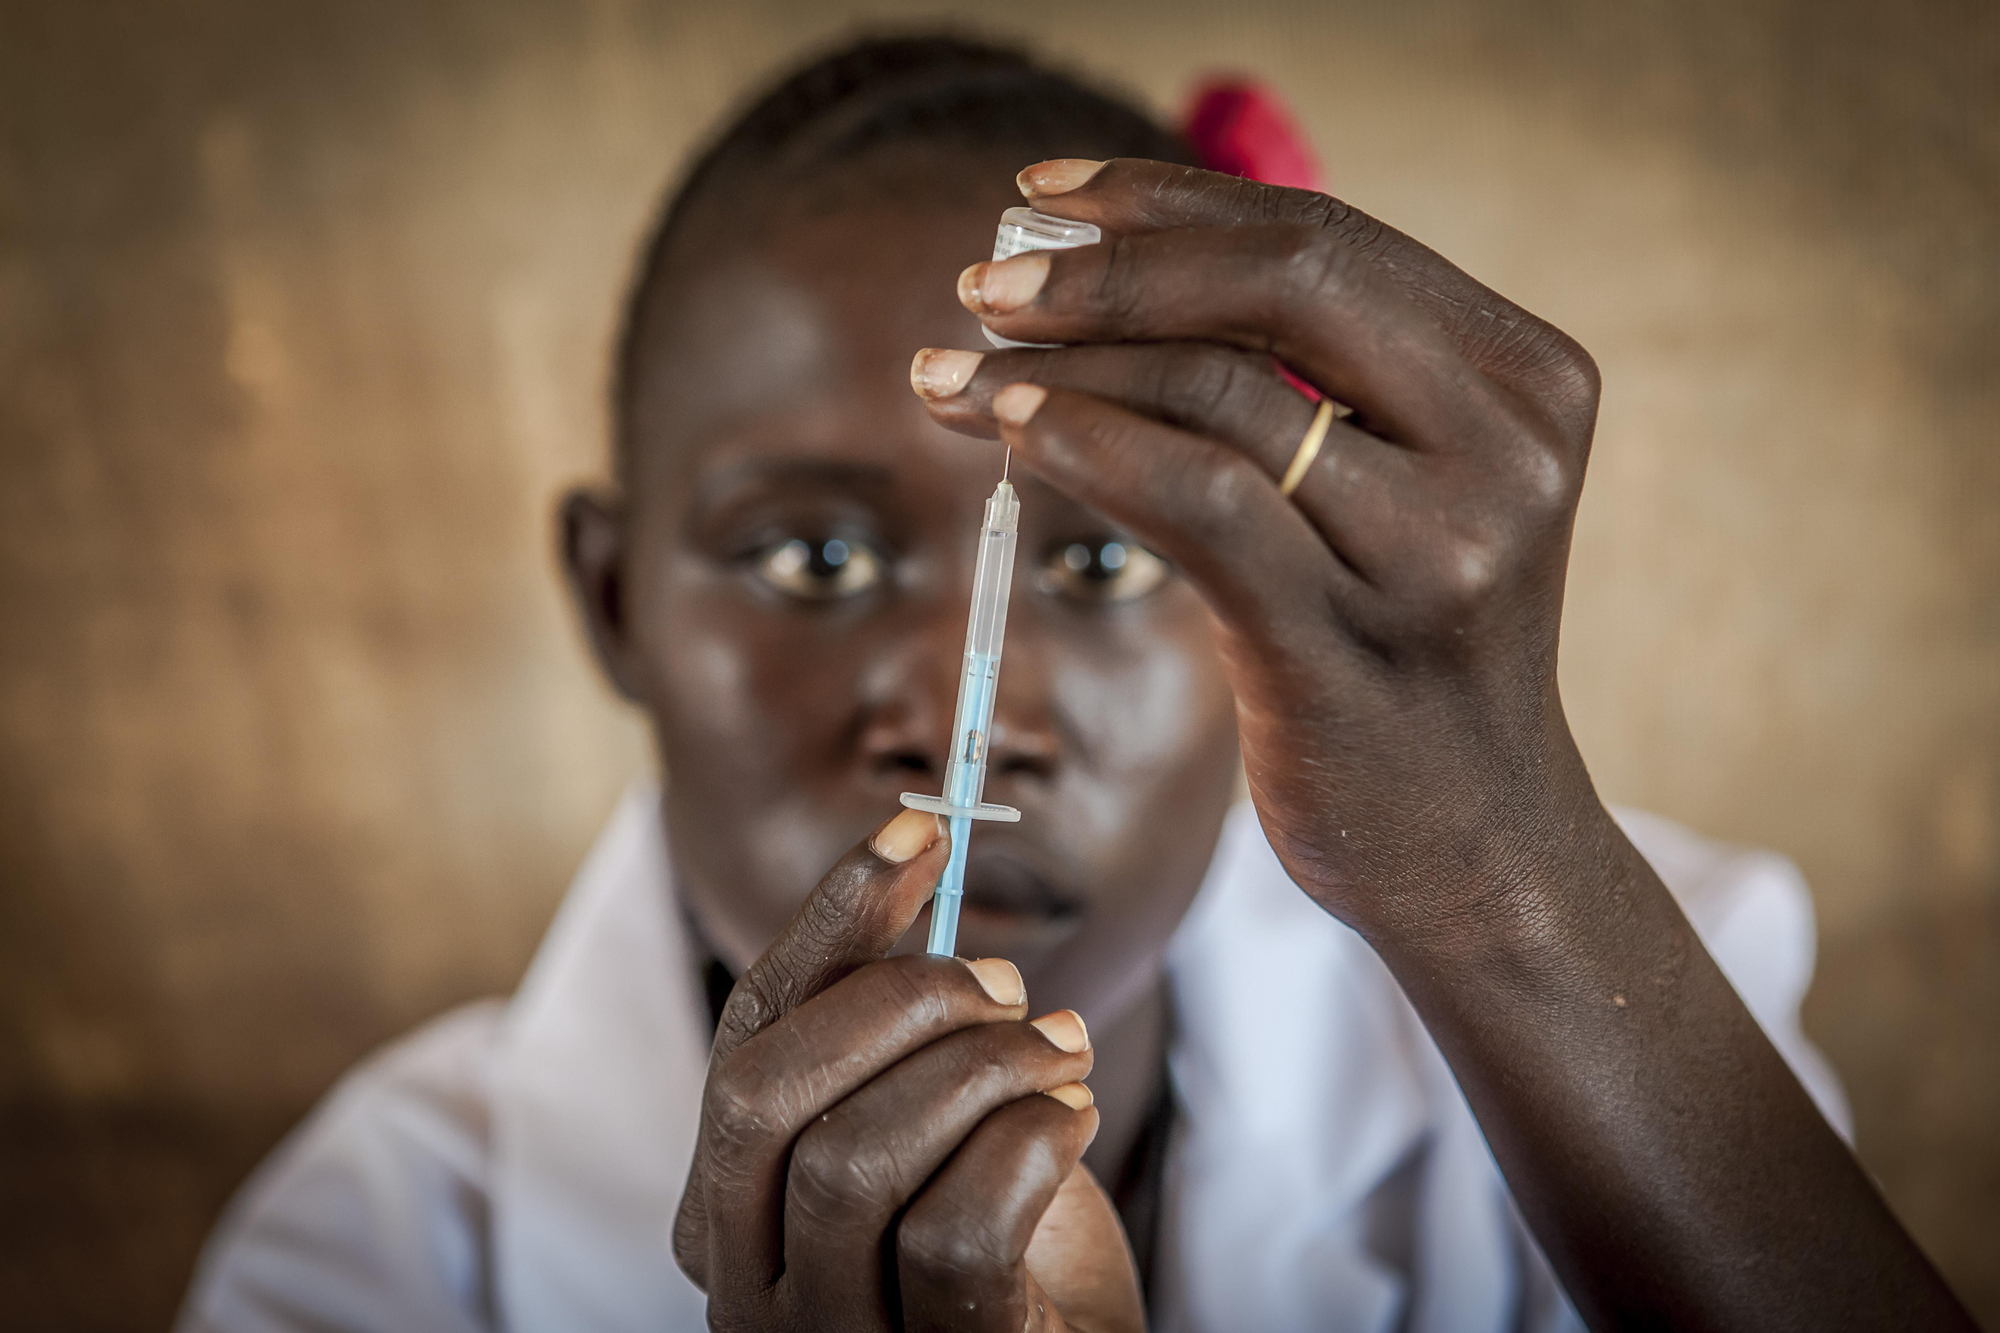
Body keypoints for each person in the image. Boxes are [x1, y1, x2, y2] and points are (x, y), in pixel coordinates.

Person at [176, 34, 1973, 1333]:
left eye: (1109, 561)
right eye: (811, 559)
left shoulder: (1612, 1030)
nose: (966, 715)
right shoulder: (372, 1256)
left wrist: (1500, 865)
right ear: (615, 599)